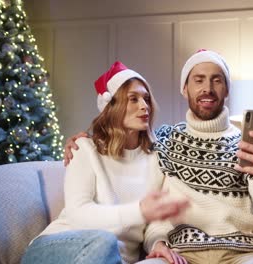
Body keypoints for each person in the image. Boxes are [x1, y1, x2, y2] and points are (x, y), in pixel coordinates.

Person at [65, 50, 253, 264]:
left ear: (227, 90)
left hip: (242, 254)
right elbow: (157, 213)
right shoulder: (164, 141)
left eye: (217, 80)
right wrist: (83, 141)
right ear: (184, 89)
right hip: (180, 254)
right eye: (198, 80)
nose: (208, 88)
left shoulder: (247, 145)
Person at [21, 61, 189, 264]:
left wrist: (157, 243)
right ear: (112, 106)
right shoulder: (84, 148)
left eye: (146, 99)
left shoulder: (156, 159)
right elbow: (78, 214)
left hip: (114, 258)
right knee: (105, 241)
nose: (144, 106)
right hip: (55, 248)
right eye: (133, 99)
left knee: (108, 247)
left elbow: (153, 223)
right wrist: (139, 211)